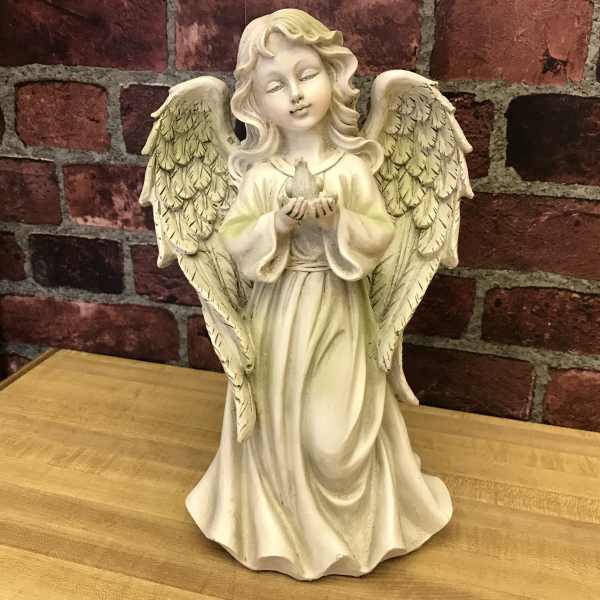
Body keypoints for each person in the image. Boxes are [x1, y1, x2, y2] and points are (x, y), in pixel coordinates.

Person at [185, 9, 452, 580]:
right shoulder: (261, 176)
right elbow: (234, 240)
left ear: (333, 76)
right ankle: (280, 523)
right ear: (256, 103)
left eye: (306, 75)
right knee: (281, 422)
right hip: (278, 316)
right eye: (275, 85)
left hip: (339, 309)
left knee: (334, 436)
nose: (296, 94)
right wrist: (277, 226)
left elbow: (380, 235)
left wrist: (337, 224)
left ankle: (355, 525)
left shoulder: (351, 168)